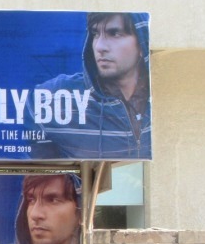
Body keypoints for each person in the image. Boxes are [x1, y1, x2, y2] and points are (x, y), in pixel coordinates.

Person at [30, 12, 150, 160]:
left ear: (142, 42)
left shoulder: (165, 97)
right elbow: (38, 175)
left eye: (115, 34)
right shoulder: (56, 97)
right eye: (95, 34)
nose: (100, 46)